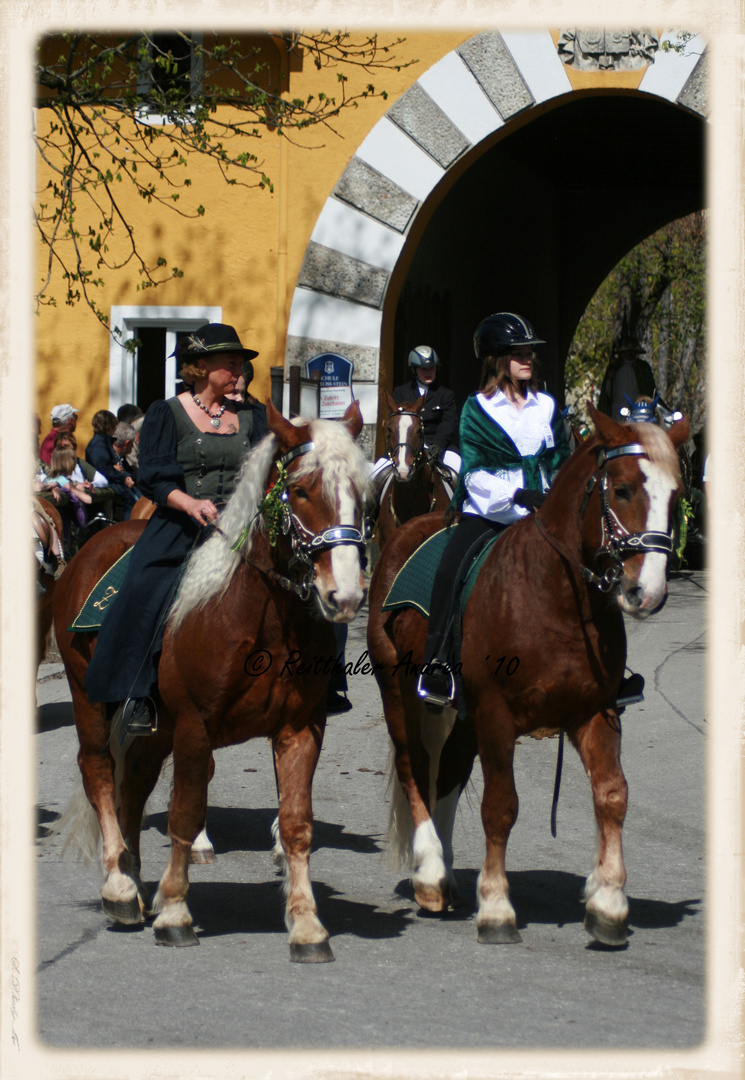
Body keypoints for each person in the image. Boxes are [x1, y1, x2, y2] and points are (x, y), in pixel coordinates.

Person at [84, 322, 265, 736]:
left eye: (240, 363)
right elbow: (154, 478)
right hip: (183, 522)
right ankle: (137, 694)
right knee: (144, 588)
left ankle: (319, 686)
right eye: (231, 362)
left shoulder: (253, 415)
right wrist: (191, 503)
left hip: (244, 525)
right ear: (200, 367)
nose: (239, 370)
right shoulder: (168, 412)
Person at [416, 312, 572, 707]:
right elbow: (475, 471)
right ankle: (438, 664)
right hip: (491, 513)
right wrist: (518, 496)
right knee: (451, 567)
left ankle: (608, 668)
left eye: (530, 353)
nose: (528, 359)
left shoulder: (547, 405)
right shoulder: (477, 408)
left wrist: (554, 497)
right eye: (518, 353)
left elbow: (560, 462)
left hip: (547, 512)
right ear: (497, 359)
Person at [392, 346, 459, 460]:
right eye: (423, 369)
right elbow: (395, 422)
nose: (428, 372)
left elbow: (449, 422)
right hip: (406, 445)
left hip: (435, 445)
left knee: (456, 463)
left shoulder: (445, 394)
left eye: (431, 368)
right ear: (414, 370)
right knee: (377, 472)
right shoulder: (401, 392)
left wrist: (438, 445)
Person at [85, 410, 140, 519]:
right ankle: (129, 526)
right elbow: (104, 468)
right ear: (108, 426)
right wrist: (122, 478)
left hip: (112, 479)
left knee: (137, 496)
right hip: (106, 482)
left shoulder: (104, 441)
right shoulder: (98, 444)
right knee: (130, 499)